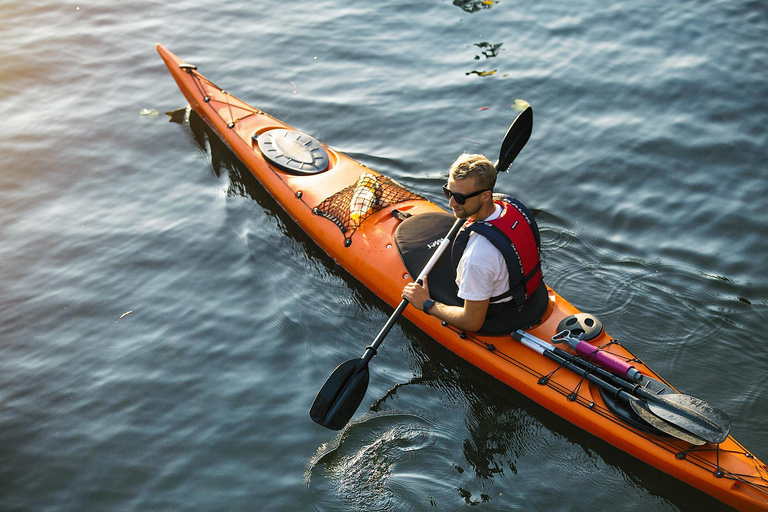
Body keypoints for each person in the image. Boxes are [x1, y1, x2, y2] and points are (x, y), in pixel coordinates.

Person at [401, 154, 548, 335]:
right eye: (448, 192)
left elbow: (471, 322)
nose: (451, 202)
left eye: (460, 198)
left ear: (486, 196)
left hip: (498, 316)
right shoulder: (509, 207)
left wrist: (427, 304)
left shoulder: (477, 257)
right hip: (533, 296)